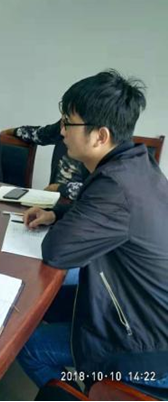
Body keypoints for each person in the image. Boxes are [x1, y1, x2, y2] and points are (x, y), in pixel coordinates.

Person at [17, 70, 168, 391]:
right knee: (54, 298)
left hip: (143, 347)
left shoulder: (113, 185)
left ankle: (78, 395)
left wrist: (63, 217)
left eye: (68, 123)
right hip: (144, 316)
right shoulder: (137, 164)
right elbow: (112, 220)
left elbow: (56, 251)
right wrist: (56, 213)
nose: (61, 131)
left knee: (30, 347)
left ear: (100, 136)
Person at [1, 120, 89, 201]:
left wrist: (58, 188)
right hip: (54, 202)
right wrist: (11, 132)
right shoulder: (65, 125)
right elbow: (41, 134)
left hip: (84, 206)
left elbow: (94, 190)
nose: (62, 131)